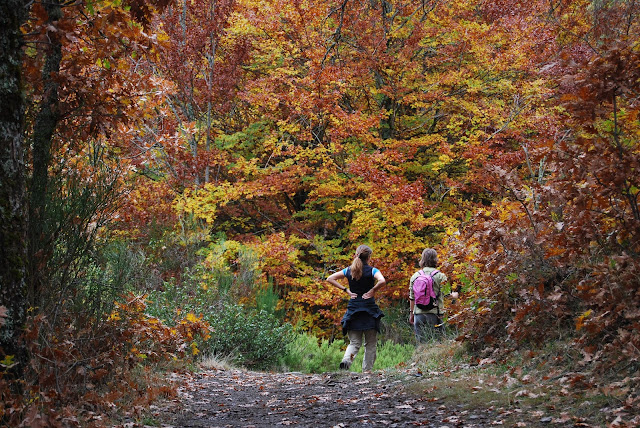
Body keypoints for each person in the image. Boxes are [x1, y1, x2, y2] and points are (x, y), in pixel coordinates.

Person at [326, 245, 386, 372]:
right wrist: (373, 290)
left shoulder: (348, 271)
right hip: (369, 312)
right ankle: (367, 371)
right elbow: (382, 281)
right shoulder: (373, 271)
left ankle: (347, 361)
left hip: (353, 312)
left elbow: (330, 278)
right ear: (369, 257)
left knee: (354, 343)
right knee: (370, 344)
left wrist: (346, 290)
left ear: (356, 254)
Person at [408, 248, 458, 343]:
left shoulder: (415, 276)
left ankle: (421, 358)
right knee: (439, 343)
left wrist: (411, 314)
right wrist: (455, 295)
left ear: (422, 260)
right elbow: (447, 295)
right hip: (436, 315)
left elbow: (412, 297)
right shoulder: (441, 276)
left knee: (421, 344)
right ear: (435, 259)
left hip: (418, 314)